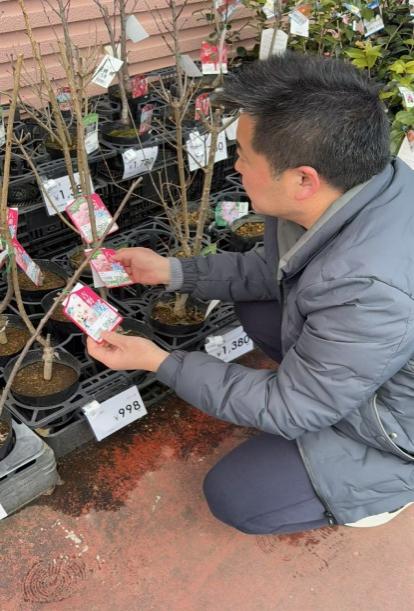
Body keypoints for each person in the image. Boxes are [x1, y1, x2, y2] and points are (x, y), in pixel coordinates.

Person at [87, 53, 414, 534]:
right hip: (370, 360)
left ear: (303, 179)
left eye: (243, 154)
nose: (235, 164)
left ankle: (385, 489)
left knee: (238, 496)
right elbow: (268, 272)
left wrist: (161, 362)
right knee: (258, 304)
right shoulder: (358, 189)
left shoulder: (368, 290)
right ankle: (326, 386)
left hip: (395, 426)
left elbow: (291, 409)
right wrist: (172, 272)